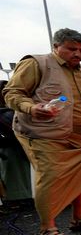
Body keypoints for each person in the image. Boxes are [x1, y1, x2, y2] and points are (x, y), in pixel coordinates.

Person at [3, 28, 81, 235]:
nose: (77, 54)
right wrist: (31, 108)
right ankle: (48, 229)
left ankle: (79, 218)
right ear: (56, 47)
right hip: (47, 135)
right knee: (50, 177)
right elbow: (12, 93)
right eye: (71, 49)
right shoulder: (37, 63)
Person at [0, 80, 32, 210]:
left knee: (19, 173)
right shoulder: (6, 112)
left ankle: (21, 198)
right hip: (9, 147)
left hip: (15, 146)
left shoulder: (11, 110)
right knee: (13, 173)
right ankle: (16, 199)